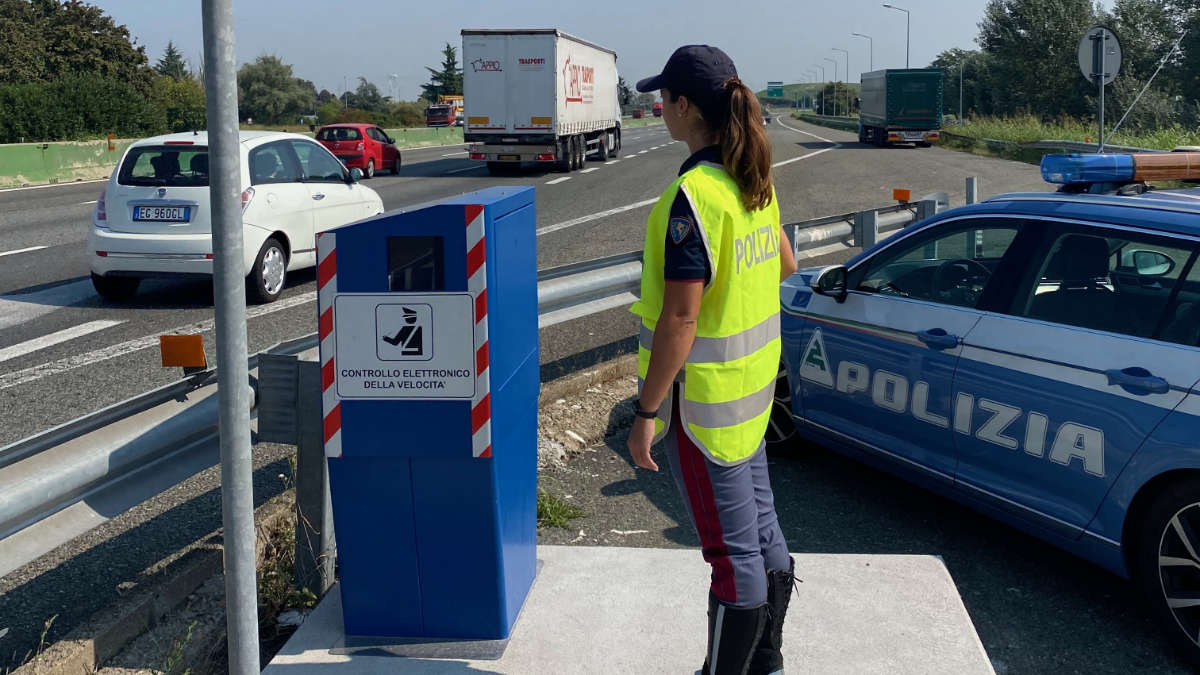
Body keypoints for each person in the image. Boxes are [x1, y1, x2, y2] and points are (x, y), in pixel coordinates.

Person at [626, 45, 798, 675]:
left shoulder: (695, 196)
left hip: (702, 411)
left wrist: (646, 411)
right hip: (750, 397)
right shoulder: (752, 180)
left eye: (663, 98)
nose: (659, 106)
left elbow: (680, 319)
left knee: (733, 562)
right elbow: (786, 263)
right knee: (764, 539)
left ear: (683, 108)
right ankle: (768, 664)